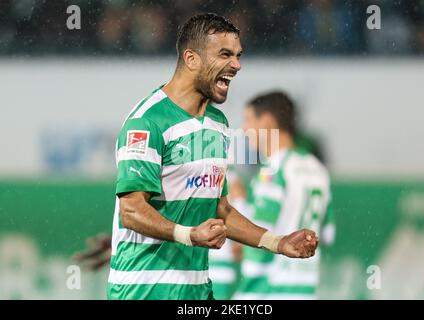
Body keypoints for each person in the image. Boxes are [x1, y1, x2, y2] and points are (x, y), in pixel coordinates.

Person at [78, 13, 319, 300]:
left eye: (238, 55)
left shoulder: (217, 123)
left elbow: (220, 209)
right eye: (225, 55)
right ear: (191, 59)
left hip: (197, 291)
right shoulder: (147, 121)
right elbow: (131, 212)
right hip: (143, 291)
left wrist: (278, 242)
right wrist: (189, 235)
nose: (237, 65)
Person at [231, 91, 335, 300]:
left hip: (267, 291)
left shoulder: (273, 169)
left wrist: (238, 199)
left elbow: (259, 229)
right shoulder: (317, 169)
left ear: (267, 121)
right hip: (303, 290)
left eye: (249, 120)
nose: (243, 129)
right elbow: (328, 235)